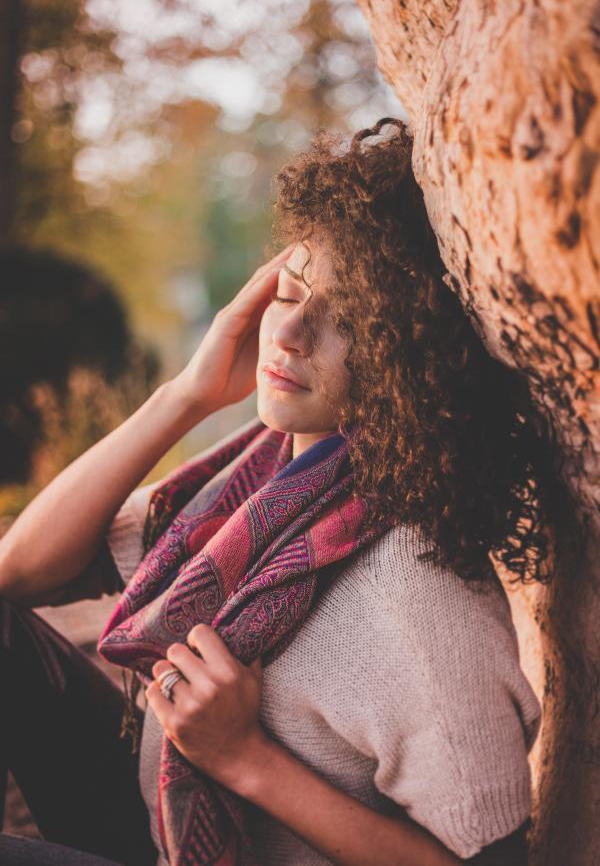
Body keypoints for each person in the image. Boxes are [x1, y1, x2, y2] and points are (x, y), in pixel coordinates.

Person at [0, 118, 556, 865]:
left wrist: (243, 758)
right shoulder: (264, 480)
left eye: (347, 320)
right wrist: (186, 396)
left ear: (416, 362)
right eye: (288, 292)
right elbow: (20, 574)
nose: (287, 332)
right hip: (152, 820)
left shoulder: (423, 602)